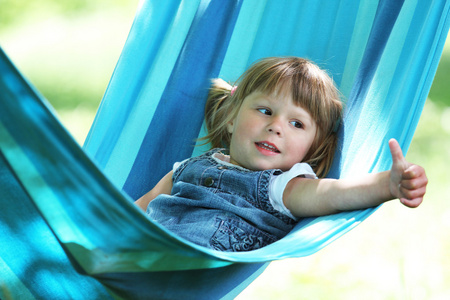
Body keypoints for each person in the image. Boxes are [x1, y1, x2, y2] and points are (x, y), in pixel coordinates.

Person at [135, 57, 428, 252]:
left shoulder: (282, 187)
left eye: (296, 123)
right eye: (265, 111)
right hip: (138, 253)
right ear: (231, 117)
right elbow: (137, 209)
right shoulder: (188, 166)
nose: (276, 127)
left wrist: (387, 185)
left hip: (187, 270)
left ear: (310, 147)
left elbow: (333, 193)